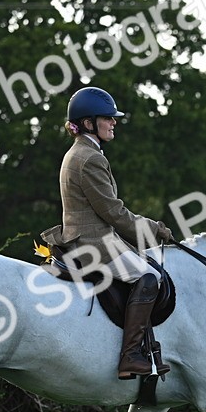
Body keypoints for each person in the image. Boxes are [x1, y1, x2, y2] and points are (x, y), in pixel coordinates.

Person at [39, 86, 175, 379]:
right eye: (107, 118)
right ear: (89, 123)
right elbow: (113, 212)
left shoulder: (80, 153)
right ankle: (130, 356)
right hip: (93, 242)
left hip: (88, 236)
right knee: (148, 277)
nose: (114, 122)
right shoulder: (90, 158)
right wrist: (154, 230)